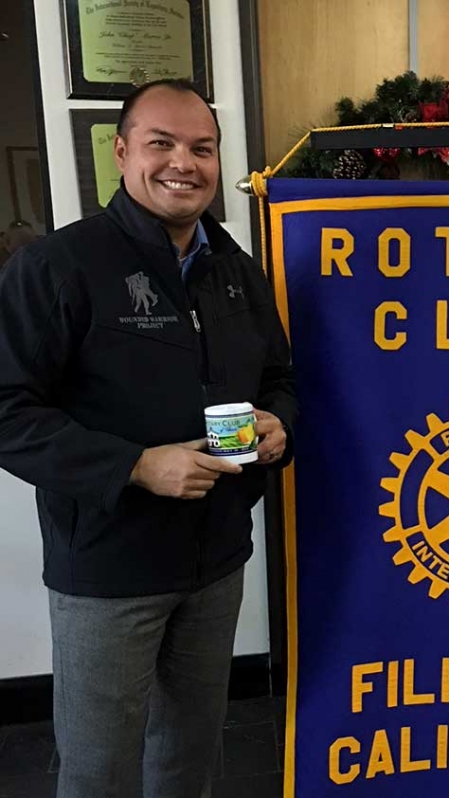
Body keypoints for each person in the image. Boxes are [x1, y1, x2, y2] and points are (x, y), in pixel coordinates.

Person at [0, 79, 297, 798]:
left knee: (190, 752)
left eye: (201, 148)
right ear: (122, 150)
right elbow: (7, 410)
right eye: (161, 144)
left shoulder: (237, 270)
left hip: (217, 558)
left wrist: (279, 424)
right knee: (100, 767)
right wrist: (134, 465)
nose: (182, 164)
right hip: (107, 570)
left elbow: (281, 379)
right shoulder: (59, 266)